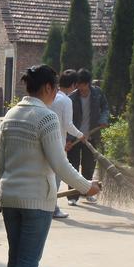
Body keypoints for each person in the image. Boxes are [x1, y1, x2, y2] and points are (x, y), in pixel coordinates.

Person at [0, 64, 100, 267]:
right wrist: (86, 187)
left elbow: (0, 163)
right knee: (28, 264)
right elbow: (60, 164)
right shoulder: (46, 118)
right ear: (47, 88)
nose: (56, 93)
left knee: (15, 260)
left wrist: (11, 186)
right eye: (54, 88)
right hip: (36, 203)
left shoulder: (11, 115)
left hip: (9, 198)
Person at [66, 68, 109, 205]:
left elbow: (105, 108)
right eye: (78, 84)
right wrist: (68, 140)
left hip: (91, 136)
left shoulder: (97, 94)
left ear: (88, 83)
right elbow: (67, 121)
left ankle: (87, 193)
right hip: (75, 137)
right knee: (73, 166)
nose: (80, 88)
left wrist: (103, 119)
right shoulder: (71, 98)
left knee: (88, 165)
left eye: (83, 85)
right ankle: (72, 196)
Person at [49, 69, 84, 219]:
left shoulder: (51, 97)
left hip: (45, 142)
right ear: (74, 85)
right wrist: (80, 135)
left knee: (47, 176)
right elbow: (68, 124)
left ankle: (46, 206)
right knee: (56, 177)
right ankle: (53, 208)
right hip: (58, 144)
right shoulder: (66, 100)